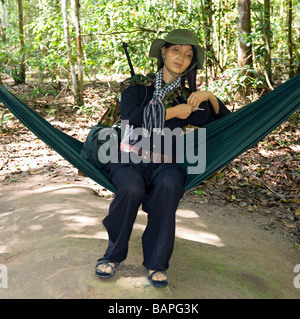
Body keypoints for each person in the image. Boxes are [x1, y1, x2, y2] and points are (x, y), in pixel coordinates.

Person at [95, 29, 230, 288]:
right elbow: (130, 116)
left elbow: (229, 125)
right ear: (164, 52)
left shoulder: (188, 98)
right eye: (176, 50)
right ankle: (112, 255)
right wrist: (172, 113)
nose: (182, 57)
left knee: (170, 184)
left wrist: (211, 98)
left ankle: (157, 263)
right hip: (127, 158)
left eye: (189, 55)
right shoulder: (136, 86)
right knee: (132, 188)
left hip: (165, 163)